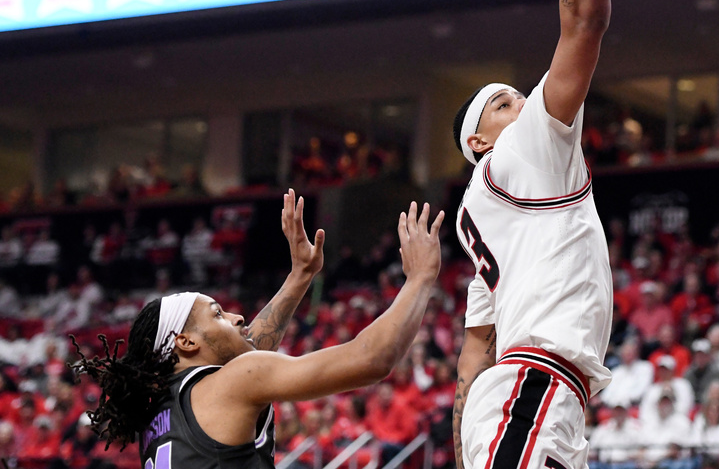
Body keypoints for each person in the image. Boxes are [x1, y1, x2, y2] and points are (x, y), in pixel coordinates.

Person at [451, 0, 620, 469]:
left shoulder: (487, 225)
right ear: (479, 141)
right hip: (535, 388)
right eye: (501, 102)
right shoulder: (523, 149)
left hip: (532, 395)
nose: (520, 101)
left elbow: (475, 344)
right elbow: (585, 20)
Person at [70, 190, 444, 468]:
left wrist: (299, 277)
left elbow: (248, 347)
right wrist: (420, 278)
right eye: (217, 315)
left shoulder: (159, 413)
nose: (236, 319)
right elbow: (372, 359)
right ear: (184, 342)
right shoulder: (231, 382)